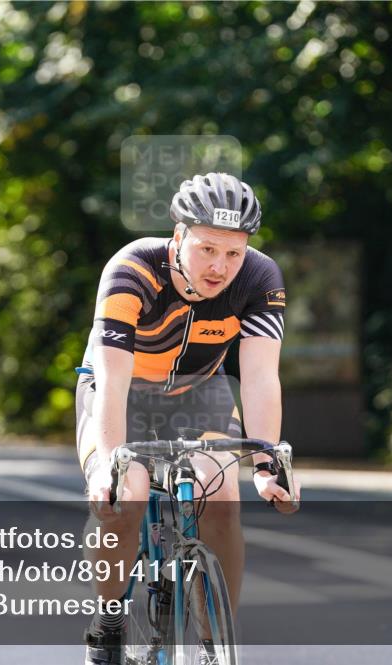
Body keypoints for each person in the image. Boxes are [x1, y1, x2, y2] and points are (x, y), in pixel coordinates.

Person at [76, 173, 299, 665]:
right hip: (123, 393)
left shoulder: (261, 279)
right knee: (126, 495)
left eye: (233, 253)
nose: (221, 267)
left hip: (200, 393)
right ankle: (109, 614)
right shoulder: (131, 269)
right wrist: (111, 463)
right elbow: (112, 379)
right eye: (207, 250)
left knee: (220, 492)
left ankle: (216, 640)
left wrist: (267, 464)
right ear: (178, 238)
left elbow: (260, 377)